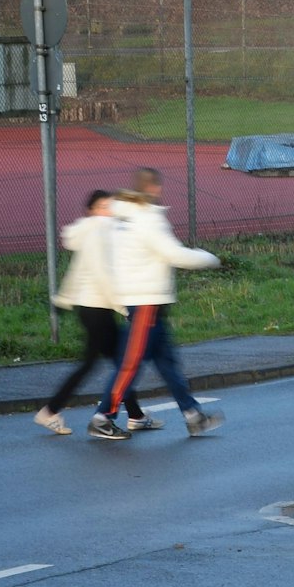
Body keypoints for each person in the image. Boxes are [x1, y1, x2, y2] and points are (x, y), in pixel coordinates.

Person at [89, 168, 224, 441]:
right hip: (147, 302)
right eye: (158, 188)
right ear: (153, 189)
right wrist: (210, 259)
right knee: (130, 364)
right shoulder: (147, 218)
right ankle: (104, 417)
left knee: (167, 364)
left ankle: (193, 416)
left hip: (144, 301)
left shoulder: (122, 218)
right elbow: (174, 253)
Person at [34, 191, 155, 435]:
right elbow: (103, 275)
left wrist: (64, 298)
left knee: (118, 363)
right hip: (98, 309)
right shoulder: (99, 233)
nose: (108, 210)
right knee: (108, 364)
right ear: (91, 210)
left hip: (91, 308)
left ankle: (136, 415)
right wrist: (124, 307)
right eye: (103, 206)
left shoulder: (92, 232)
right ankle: (51, 411)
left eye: (110, 206)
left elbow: (78, 271)